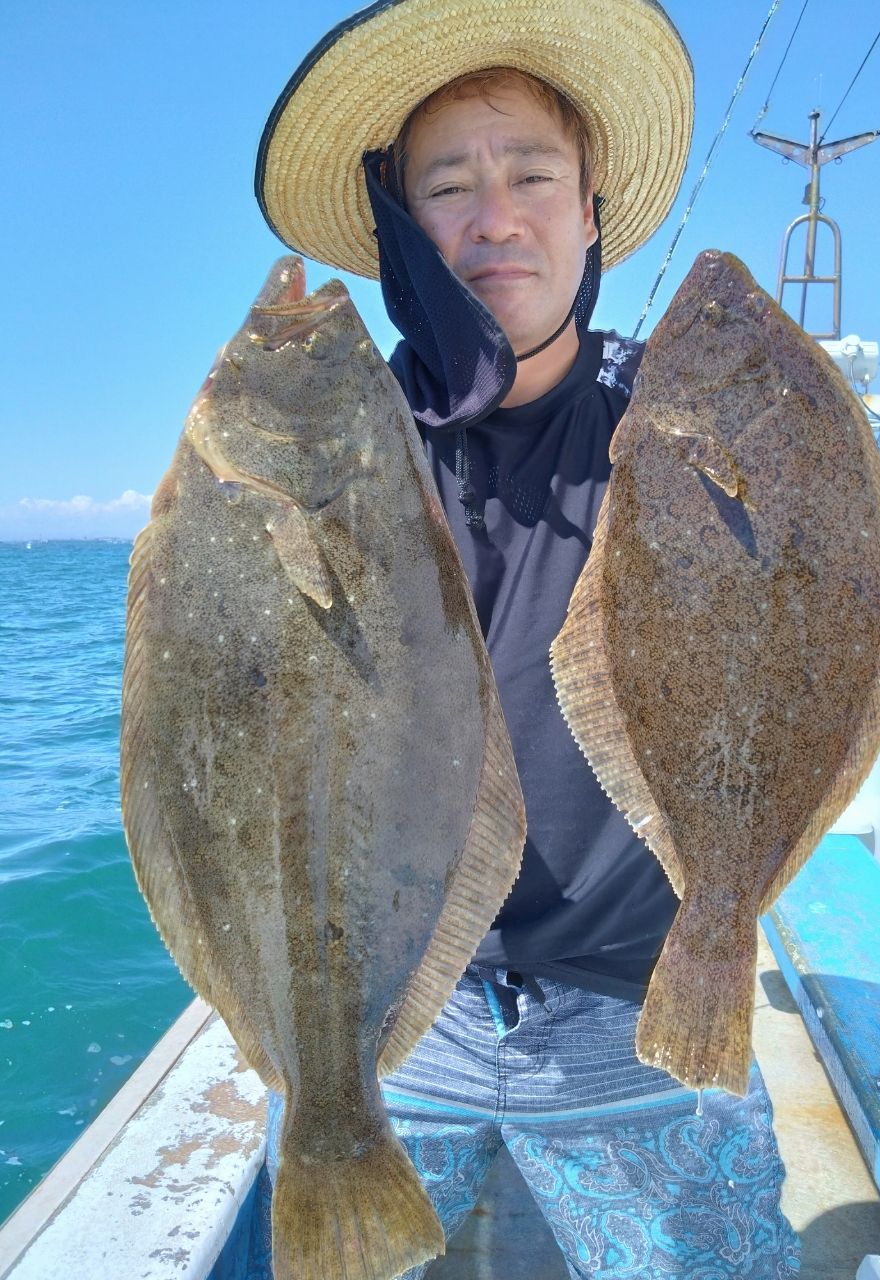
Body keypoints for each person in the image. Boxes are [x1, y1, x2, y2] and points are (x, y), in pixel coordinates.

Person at [254, 1, 801, 1275]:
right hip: (390, 1019)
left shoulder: (686, 433)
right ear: (403, 229)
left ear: (593, 209)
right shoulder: (330, 451)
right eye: (449, 185)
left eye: (532, 174)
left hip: (647, 1013)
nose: (496, 217)